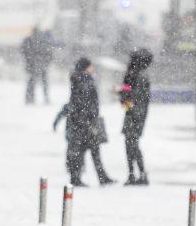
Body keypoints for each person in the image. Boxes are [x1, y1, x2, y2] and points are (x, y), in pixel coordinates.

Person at [65, 57, 115, 186]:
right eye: (91, 66)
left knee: (90, 149)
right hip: (85, 122)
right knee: (84, 150)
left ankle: (97, 176)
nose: (93, 68)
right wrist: (89, 117)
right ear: (86, 67)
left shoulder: (81, 79)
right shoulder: (84, 81)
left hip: (83, 121)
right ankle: (77, 178)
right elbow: (85, 102)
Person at [120, 48, 153, 186]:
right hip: (134, 114)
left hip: (135, 116)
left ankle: (139, 174)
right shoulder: (134, 75)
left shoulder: (139, 76)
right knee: (130, 145)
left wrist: (126, 102)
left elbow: (134, 96)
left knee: (132, 145)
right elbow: (128, 92)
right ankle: (134, 174)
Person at [21, 27, 54, 104]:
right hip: (41, 66)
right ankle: (46, 98)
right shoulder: (44, 40)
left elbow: (24, 51)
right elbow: (49, 53)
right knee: (44, 83)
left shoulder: (29, 40)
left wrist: (29, 61)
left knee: (31, 83)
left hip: (33, 66)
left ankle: (29, 99)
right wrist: (46, 62)